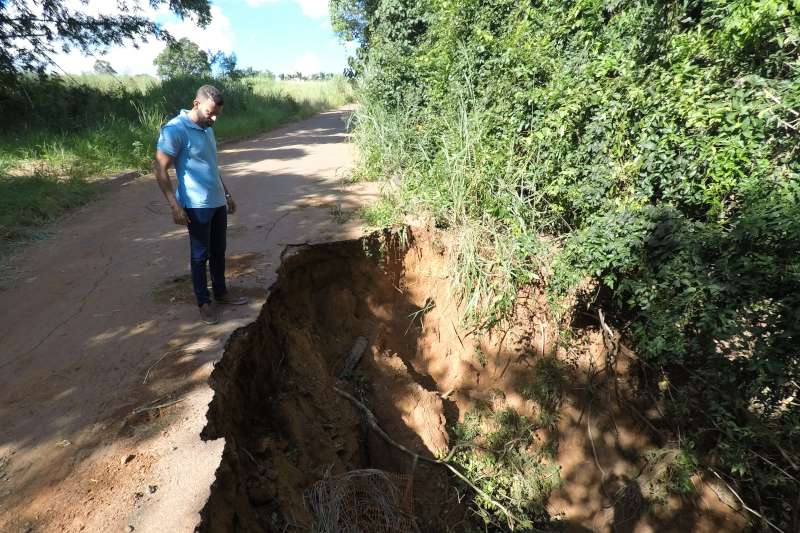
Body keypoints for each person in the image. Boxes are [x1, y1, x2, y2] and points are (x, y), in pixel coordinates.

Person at [154, 85, 248, 325]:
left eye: (218, 114)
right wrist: (174, 205)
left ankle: (221, 292)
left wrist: (226, 194)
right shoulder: (175, 129)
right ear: (196, 104)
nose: (214, 118)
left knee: (219, 251)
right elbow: (160, 168)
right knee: (199, 256)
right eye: (210, 112)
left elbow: (211, 165)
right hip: (195, 206)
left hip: (216, 202)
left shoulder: (207, 129)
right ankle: (203, 303)